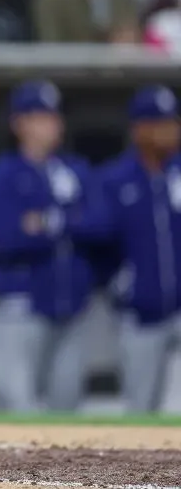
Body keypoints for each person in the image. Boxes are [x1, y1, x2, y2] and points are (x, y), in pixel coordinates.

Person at [0, 80, 95, 412]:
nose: (53, 123)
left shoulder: (74, 170)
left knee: (67, 414)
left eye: (55, 115)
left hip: (70, 306)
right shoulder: (3, 173)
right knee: (17, 409)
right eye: (41, 116)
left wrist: (48, 222)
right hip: (19, 305)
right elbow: (3, 236)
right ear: (19, 123)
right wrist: (67, 222)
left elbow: (101, 222)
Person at [93, 86, 181, 412]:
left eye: (172, 121)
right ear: (139, 129)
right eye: (159, 122)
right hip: (140, 314)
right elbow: (97, 237)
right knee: (141, 410)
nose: (170, 130)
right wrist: (118, 284)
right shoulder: (115, 179)